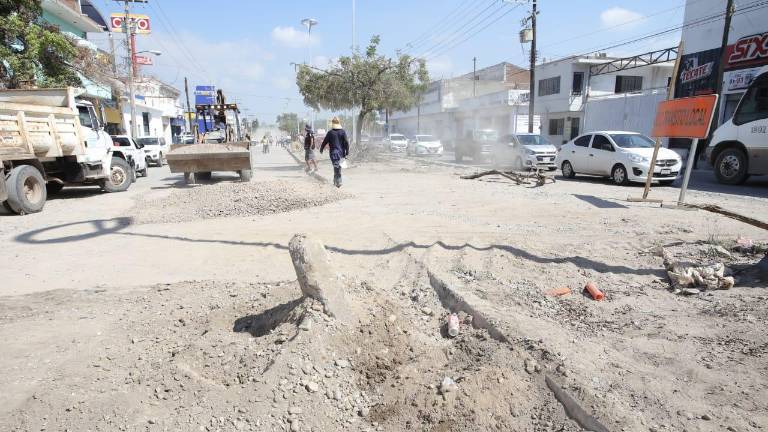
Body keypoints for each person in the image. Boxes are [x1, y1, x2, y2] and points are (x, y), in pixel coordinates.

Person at [320, 117, 349, 187]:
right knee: (338, 167)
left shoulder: (330, 133)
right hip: (341, 153)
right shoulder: (342, 132)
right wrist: (347, 152)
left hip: (333, 153)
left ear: (332, 124)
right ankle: (338, 181)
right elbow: (346, 143)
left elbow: (324, 142)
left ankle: (336, 180)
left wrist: (321, 148)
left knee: (337, 167)